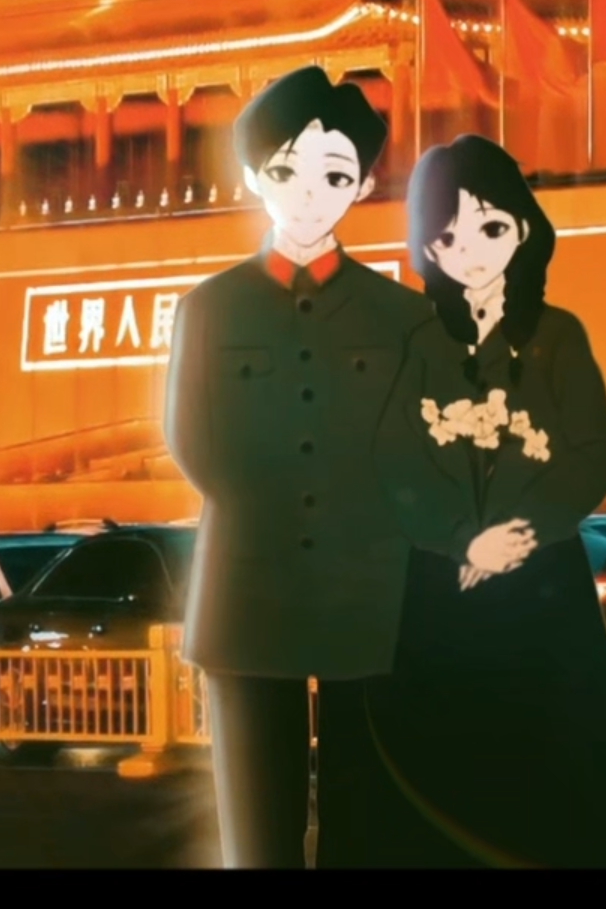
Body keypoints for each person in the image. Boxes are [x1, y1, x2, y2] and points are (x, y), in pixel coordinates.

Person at [369, 134, 606, 868]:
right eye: (448, 238)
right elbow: (394, 460)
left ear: (524, 228)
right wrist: (461, 537)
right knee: (445, 786)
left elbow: (595, 451)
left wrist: (518, 531)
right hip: (443, 591)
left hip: (541, 591)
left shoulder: (558, 336)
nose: (470, 252)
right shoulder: (419, 347)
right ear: (427, 249)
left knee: (557, 778)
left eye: (491, 228)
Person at [162, 66, 433, 868]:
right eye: (286, 172)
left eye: (336, 176)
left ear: (365, 185)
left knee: (368, 827)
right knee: (257, 837)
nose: (311, 195)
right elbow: (194, 441)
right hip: (247, 590)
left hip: (370, 592)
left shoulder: (403, 316)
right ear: (253, 177)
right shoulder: (209, 308)